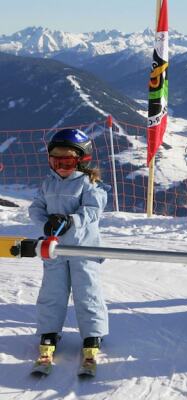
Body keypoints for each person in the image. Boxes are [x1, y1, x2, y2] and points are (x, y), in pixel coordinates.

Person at [28, 128, 109, 372]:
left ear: (82, 160)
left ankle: (93, 335)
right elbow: (36, 207)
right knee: (52, 292)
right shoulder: (48, 183)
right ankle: (49, 333)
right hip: (54, 250)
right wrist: (44, 222)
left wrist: (72, 220)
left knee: (87, 292)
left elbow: (93, 210)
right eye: (56, 161)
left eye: (68, 161)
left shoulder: (90, 184)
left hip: (82, 249)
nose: (61, 166)